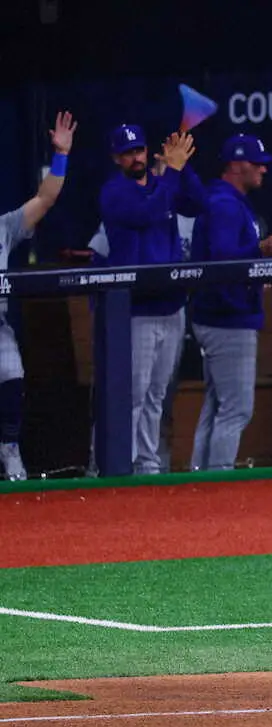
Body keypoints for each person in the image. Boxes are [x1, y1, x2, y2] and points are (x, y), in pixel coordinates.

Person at [100, 124, 207, 474]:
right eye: (128, 153)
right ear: (116, 158)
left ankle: (147, 463)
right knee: (133, 393)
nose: (136, 158)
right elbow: (145, 213)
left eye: (140, 150)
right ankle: (118, 464)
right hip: (137, 310)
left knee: (157, 394)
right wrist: (172, 172)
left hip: (171, 306)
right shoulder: (114, 192)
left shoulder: (164, 185)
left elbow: (199, 203)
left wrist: (183, 167)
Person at [188, 134, 272, 471]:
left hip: (221, 314)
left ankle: (200, 480)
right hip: (227, 318)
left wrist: (255, 274)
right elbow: (221, 261)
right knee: (236, 409)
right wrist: (260, 250)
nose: (263, 169)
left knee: (218, 405)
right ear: (236, 164)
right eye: (256, 163)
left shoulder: (229, 200)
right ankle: (218, 480)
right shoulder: (224, 203)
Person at [0, 111, 76, 481]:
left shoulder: (4, 227)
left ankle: (9, 448)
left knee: (12, 373)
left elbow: (45, 199)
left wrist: (61, 154)